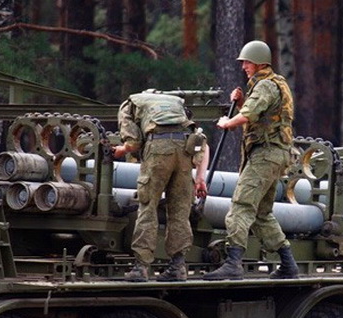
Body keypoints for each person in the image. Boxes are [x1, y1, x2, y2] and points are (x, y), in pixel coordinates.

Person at [202, 40, 299, 281]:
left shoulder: (265, 85)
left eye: (247, 62)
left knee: (241, 206)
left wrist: (228, 122)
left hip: (265, 155)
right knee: (261, 213)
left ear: (259, 62)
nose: (244, 66)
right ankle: (288, 264)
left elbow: (249, 115)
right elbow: (264, 116)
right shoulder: (274, 84)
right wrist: (243, 100)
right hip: (275, 154)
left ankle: (233, 262)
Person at [114, 90, 209, 282]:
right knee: (180, 211)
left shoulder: (131, 103)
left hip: (158, 150)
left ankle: (141, 268)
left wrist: (120, 150)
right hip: (186, 151)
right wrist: (200, 178)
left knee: (148, 207)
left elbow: (132, 143)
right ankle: (177, 266)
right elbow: (201, 142)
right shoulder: (177, 103)